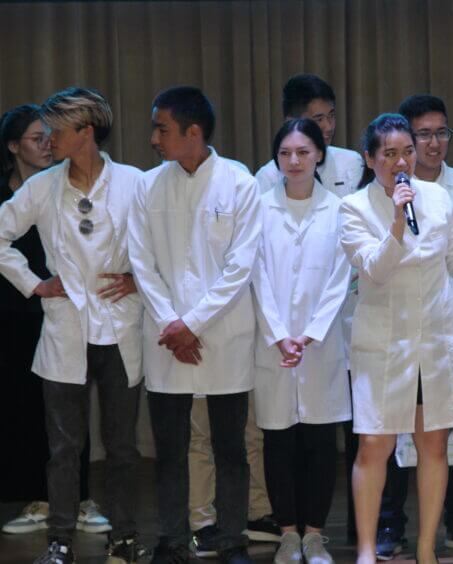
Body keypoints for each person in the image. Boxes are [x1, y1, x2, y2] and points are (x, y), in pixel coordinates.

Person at [339, 113, 453, 564]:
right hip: (384, 345)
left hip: (435, 340)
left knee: (434, 445)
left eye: (407, 151)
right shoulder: (353, 208)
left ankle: (426, 548)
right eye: (389, 154)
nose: (402, 161)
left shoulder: (438, 197)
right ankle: (366, 550)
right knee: (374, 446)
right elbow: (375, 270)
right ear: (370, 159)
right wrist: (397, 221)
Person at [0, 88, 145, 563]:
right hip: (66, 330)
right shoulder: (42, 187)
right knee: (63, 447)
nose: (48, 141)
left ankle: (124, 538)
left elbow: (164, 247)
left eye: (56, 131)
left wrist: (137, 279)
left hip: (119, 329)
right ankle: (60, 540)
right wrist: (34, 284)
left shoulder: (134, 183)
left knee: (122, 448)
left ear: (85, 132)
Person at [128, 86, 261, 564]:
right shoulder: (148, 186)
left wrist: (194, 323)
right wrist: (173, 323)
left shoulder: (240, 184)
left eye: (161, 129)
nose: (154, 139)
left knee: (230, 447)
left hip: (223, 335)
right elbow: (141, 262)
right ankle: (171, 538)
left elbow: (240, 267)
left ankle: (232, 537)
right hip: (167, 339)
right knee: (170, 449)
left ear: (194, 132)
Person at [370, 94, 453, 559]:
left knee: (452, 432)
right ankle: (391, 526)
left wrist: (442, 316)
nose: (432, 143)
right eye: (422, 135)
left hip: (452, 326)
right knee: (392, 432)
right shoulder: (380, 195)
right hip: (400, 332)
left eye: (440, 133)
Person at [254, 73, 364, 542]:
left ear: (319, 154)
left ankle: (315, 535)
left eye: (303, 152)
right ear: (276, 159)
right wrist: (281, 334)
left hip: (322, 344)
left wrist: (311, 333)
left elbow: (341, 279)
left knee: (321, 442)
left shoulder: (339, 209)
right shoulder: (259, 207)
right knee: (278, 442)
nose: (294, 161)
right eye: (285, 153)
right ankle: (287, 535)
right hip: (274, 345)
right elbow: (256, 277)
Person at [255, 73, 364, 198]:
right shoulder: (268, 178)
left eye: (331, 116)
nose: (328, 127)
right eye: (318, 119)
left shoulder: (351, 162)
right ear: (291, 121)